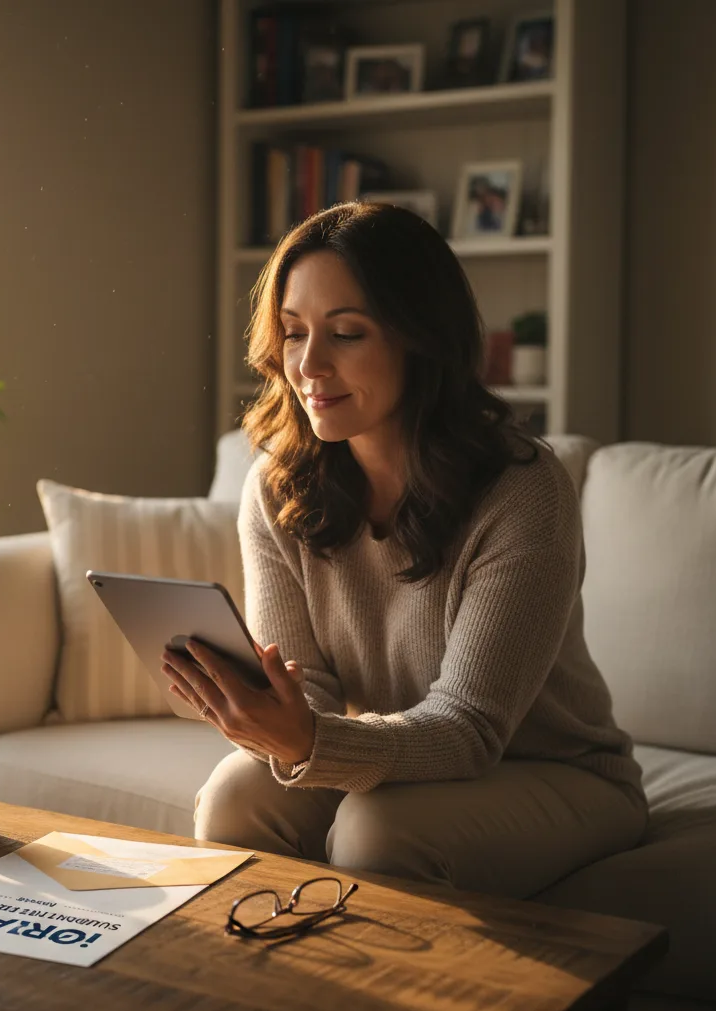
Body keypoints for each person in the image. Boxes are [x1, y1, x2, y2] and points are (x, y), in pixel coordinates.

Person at [160, 202, 647, 900]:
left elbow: (470, 729)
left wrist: (306, 743)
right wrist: (262, 712)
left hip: (559, 770)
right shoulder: (277, 487)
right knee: (238, 796)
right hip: (411, 755)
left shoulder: (524, 490)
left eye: (347, 333)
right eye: (294, 334)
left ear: (422, 340)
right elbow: (313, 691)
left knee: (379, 831)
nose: (309, 365)